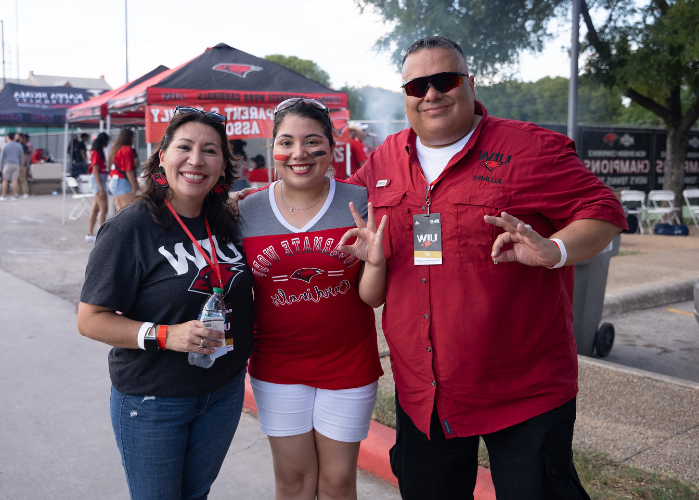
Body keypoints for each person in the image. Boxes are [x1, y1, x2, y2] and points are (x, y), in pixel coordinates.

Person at [341, 36, 628, 499]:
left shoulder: (532, 148)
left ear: (470, 84)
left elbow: (604, 209)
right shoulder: (384, 159)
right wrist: (241, 204)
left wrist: (553, 248)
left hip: (524, 391)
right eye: (418, 85)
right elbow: (327, 202)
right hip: (425, 393)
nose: (431, 94)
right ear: (406, 95)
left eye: (444, 80)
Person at [77, 108, 254, 499]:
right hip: (153, 399)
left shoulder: (225, 220)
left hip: (222, 392)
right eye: (184, 147)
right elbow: (90, 320)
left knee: (196, 495)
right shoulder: (131, 228)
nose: (196, 160)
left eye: (210, 150)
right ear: (162, 156)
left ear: (224, 164)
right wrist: (165, 334)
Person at [237, 98, 386, 500]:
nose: (299, 153)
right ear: (273, 149)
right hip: (277, 366)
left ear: (333, 146)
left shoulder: (360, 201)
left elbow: (372, 299)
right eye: (286, 142)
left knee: (338, 484)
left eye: (312, 141)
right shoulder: (246, 210)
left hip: (348, 364)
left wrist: (374, 262)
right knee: (294, 484)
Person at [107, 129, 140, 211]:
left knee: (120, 211)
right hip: (122, 182)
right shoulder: (127, 149)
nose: (134, 139)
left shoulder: (116, 148)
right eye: (133, 137)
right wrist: (134, 186)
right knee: (128, 212)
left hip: (114, 181)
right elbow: (128, 170)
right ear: (129, 137)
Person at [85, 132, 110, 243]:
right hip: (98, 181)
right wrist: (100, 188)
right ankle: (102, 235)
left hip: (100, 180)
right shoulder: (96, 153)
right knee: (103, 208)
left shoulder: (99, 152)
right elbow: (95, 172)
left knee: (95, 209)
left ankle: (89, 233)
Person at [0, 133, 24, 201]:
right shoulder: (19, 146)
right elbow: (21, 157)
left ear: (8, 137)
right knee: (14, 180)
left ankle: (3, 196)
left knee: (5, 180)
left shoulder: (5, 145)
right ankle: (14, 196)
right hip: (17, 165)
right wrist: (21, 166)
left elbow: (1, 157)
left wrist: (0, 166)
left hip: (8, 164)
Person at [16, 133, 30, 198]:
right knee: (18, 179)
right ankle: (18, 192)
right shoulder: (16, 144)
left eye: (18, 136)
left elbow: (25, 157)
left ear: (21, 137)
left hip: (22, 165)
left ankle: (25, 192)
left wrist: (22, 165)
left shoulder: (24, 146)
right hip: (16, 165)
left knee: (23, 179)